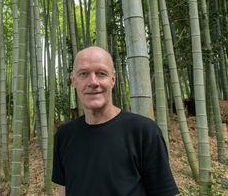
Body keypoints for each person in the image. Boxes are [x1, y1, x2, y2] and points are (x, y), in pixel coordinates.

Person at [52, 46, 179, 196]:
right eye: (84, 74)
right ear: (74, 80)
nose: (93, 82)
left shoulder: (143, 131)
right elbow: (64, 189)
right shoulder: (64, 135)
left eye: (101, 73)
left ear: (112, 79)